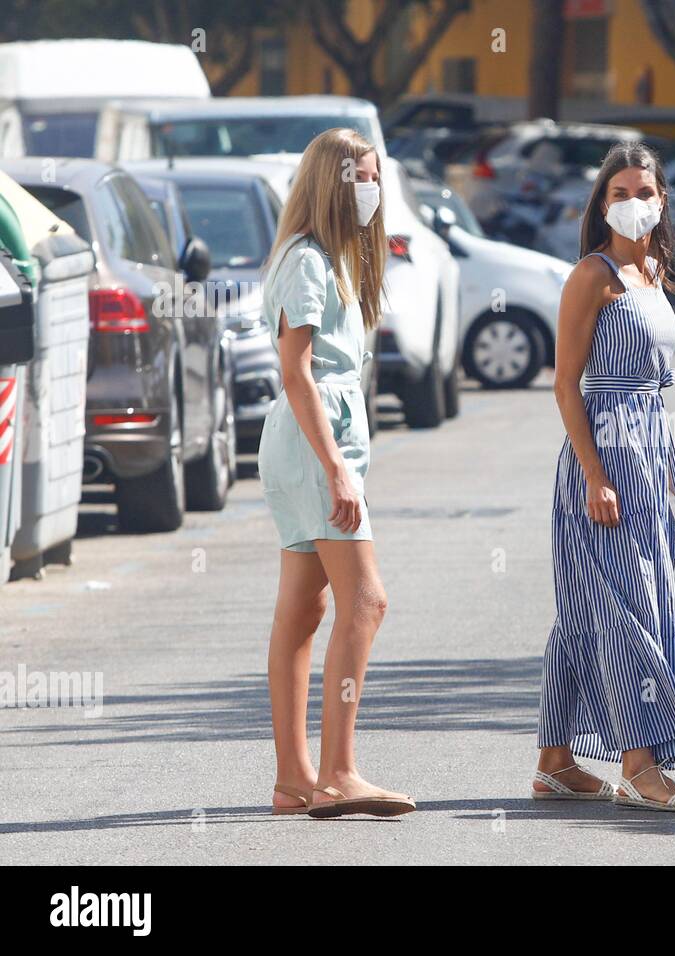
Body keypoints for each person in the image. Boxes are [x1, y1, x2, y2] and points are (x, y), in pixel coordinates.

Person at [532, 142, 675, 813]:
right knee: (627, 609)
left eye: (646, 192)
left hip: (646, 456)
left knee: (585, 608)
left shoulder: (653, 272)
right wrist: (594, 475)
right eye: (621, 194)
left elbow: (654, 396)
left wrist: (674, 481)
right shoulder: (592, 275)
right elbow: (566, 387)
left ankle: (554, 760)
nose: (635, 204)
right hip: (600, 462)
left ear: (663, 200)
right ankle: (641, 767)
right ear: (602, 205)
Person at [257, 128, 414, 819]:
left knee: (305, 609)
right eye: (359, 178)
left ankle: (294, 778)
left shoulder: (329, 259)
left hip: (314, 445)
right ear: (330, 183)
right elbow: (297, 373)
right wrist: (337, 472)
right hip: (312, 446)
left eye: (375, 178)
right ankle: (339, 772)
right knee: (367, 602)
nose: (371, 191)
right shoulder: (308, 263)